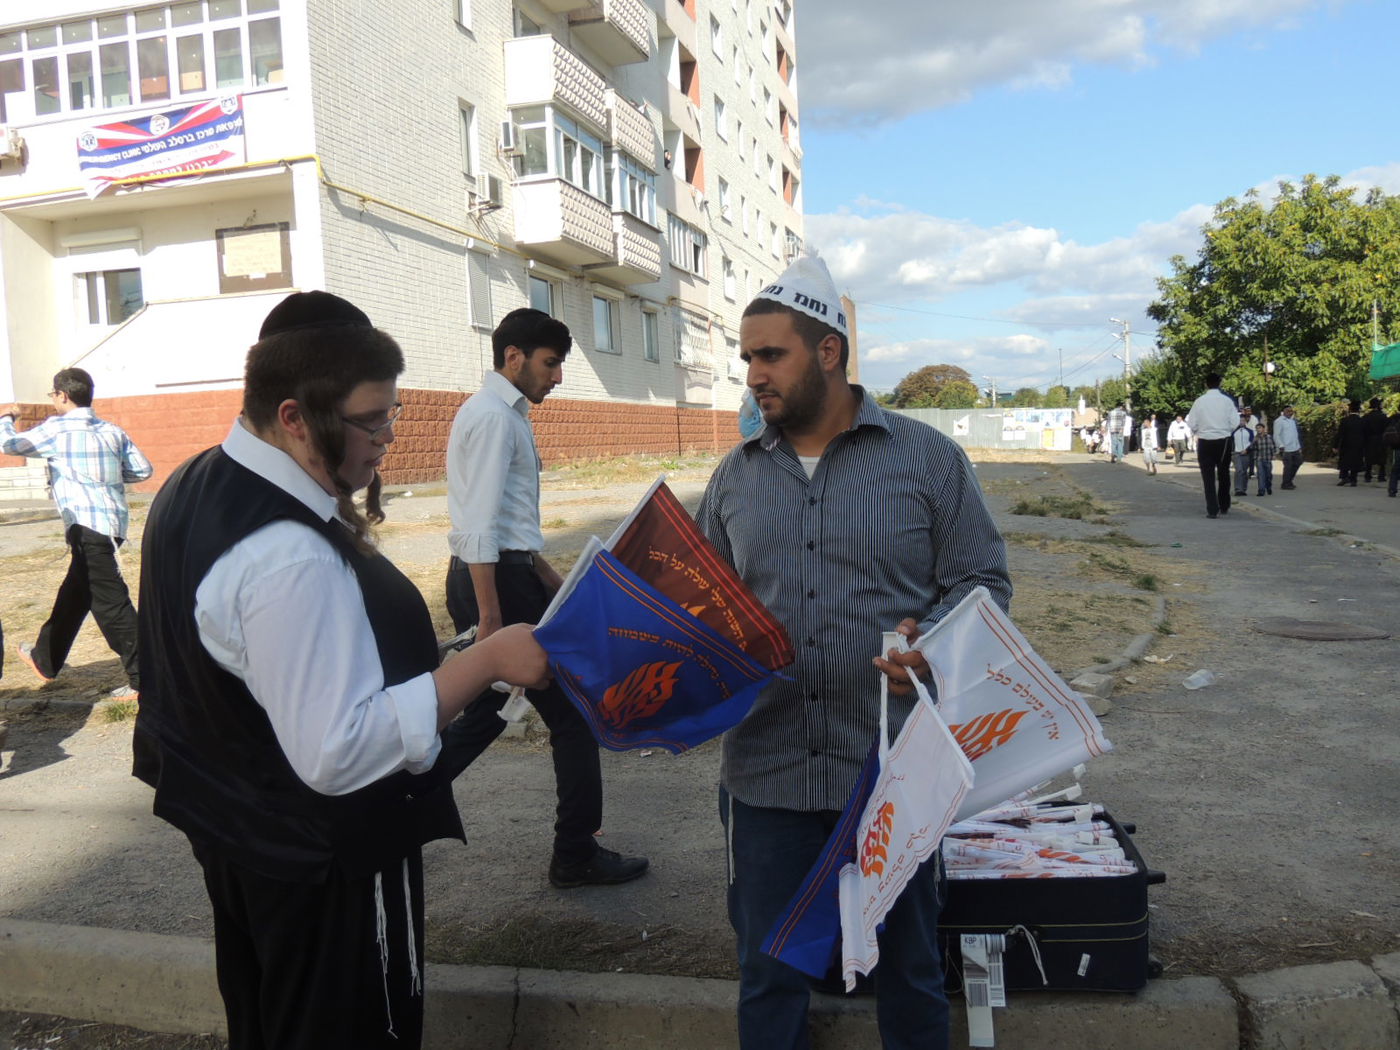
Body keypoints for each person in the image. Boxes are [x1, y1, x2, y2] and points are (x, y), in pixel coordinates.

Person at [131, 291, 550, 1050]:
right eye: (371, 420)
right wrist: (486, 661)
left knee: (272, 1022)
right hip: (323, 862)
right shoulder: (289, 553)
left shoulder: (197, 480)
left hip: (244, 838)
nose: (388, 437)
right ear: (294, 416)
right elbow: (340, 750)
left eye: (392, 413)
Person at [697, 256, 1012, 1050]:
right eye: (748, 356)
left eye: (772, 355)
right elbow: (703, 605)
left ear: (828, 352)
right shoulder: (735, 478)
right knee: (768, 973)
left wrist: (933, 643)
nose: (753, 374)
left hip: (892, 770)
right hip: (767, 770)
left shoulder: (927, 459)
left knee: (908, 968)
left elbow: (982, 579)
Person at [439, 307, 648, 889]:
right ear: (514, 357)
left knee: (487, 714)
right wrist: (490, 619)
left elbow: (512, 531)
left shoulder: (504, 415)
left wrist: (557, 585)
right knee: (572, 715)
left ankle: (388, 805)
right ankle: (574, 855)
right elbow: (480, 527)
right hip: (493, 584)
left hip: (506, 576)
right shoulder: (492, 418)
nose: (557, 377)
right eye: (551, 363)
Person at [1, 369, 152, 696]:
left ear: (63, 395)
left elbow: (10, 445)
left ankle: (147, 679)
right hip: (112, 527)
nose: (53, 399)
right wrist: (108, 478)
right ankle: (45, 658)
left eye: (53, 395)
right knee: (75, 593)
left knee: (111, 606)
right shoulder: (112, 431)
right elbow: (142, 470)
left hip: (87, 529)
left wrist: (6, 419)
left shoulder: (56, 429)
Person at [1186, 374, 1240, 519]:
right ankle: (1224, 504)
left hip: (1205, 440)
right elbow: (1235, 421)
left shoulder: (1199, 401)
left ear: (1206, 384)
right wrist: (1226, 430)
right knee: (1224, 474)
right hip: (1223, 440)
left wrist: (1200, 430)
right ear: (1220, 383)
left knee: (1207, 476)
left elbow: (1191, 423)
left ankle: (1212, 509)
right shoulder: (1227, 401)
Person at [1334, 400, 1365, 486]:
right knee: (1355, 462)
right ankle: (1353, 480)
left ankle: (1344, 477)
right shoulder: (1362, 421)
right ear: (1358, 410)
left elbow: (1339, 434)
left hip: (1346, 444)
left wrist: (1335, 446)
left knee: (1345, 461)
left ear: (1350, 409)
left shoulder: (1345, 420)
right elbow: (1365, 434)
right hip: (1358, 445)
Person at [1274, 405, 1303, 490]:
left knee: (1298, 462)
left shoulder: (1292, 421)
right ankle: (1286, 484)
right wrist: (1280, 445)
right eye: (1288, 411)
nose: (1290, 413)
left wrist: (1299, 446)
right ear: (1283, 412)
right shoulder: (1279, 421)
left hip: (1295, 447)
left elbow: (1295, 435)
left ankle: (1289, 480)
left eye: (1291, 411)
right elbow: (1276, 435)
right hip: (1286, 448)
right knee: (1288, 466)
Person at [1361, 397, 1389, 483]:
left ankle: (1368, 475)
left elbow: (1363, 429)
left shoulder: (1366, 417)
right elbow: (1387, 428)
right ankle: (1381, 476)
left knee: (1369, 458)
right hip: (1380, 439)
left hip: (1369, 439)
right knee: (1381, 458)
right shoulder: (1383, 416)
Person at [1230, 410, 1256, 496]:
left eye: (1243, 420)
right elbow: (1230, 442)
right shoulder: (1233, 432)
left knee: (1244, 471)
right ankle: (1238, 489)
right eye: (1240, 420)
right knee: (1239, 470)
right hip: (1236, 453)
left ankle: (1243, 489)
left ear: (1245, 421)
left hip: (1246, 453)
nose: (1241, 422)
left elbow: (1252, 443)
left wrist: (1247, 450)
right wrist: (1231, 451)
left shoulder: (1250, 431)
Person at [1251, 423, 1277, 496]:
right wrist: (1255, 458)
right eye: (1257, 428)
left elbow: (1273, 446)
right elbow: (1253, 448)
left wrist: (1274, 455)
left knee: (1268, 475)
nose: (1258, 429)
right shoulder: (1255, 438)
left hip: (1268, 458)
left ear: (1263, 429)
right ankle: (1261, 490)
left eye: (1259, 428)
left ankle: (1268, 486)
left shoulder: (1269, 437)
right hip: (1259, 459)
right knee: (1260, 475)